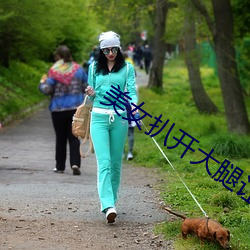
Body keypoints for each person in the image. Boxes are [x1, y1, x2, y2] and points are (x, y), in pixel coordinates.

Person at [85, 31, 138, 223]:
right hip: (98, 118)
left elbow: (131, 91)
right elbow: (91, 97)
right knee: (104, 162)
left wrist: (133, 106)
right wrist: (90, 92)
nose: (110, 53)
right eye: (106, 50)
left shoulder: (127, 68)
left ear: (119, 48)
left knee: (116, 163)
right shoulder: (93, 68)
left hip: (120, 119)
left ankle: (112, 201)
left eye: (114, 49)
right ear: (101, 50)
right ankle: (107, 205)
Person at [39, 45, 88, 175]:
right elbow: (86, 87)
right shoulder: (79, 70)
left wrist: (42, 83)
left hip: (58, 109)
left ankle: (60, 166)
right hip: (75, 109)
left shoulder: (54, 71)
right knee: (74, 137)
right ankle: (75, 163)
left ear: (58, 57)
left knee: (60, 138)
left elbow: (47, 90)